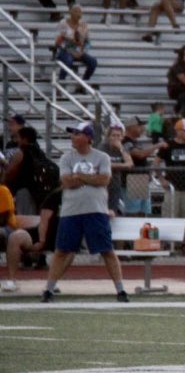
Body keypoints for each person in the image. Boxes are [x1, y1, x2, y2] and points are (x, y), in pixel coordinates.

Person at [39, 123, 129, 303]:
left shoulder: (102, 157)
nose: (72, 137)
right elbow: (66, 181)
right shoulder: (66, 158)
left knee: (106, 250)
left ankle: (120, 290)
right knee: (62, 251)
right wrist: (90, 178)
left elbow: (104, 179)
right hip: (71, 211)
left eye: (77, 134)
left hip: (96, 210)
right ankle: (49, 289)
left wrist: (79, 176)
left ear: (88, 137)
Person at [155, 118, 185, 256]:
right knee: (169, 215)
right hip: (173, 187)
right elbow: (156, 163)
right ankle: (167, 243)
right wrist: (162, 179)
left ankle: (184, 243)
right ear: (178, 131)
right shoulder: (168, 145)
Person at [53, 4, 98, 85]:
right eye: (76, 12)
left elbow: (88, 42)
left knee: (93, 62)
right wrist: (70, 50)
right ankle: (60, 83)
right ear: (71, 13)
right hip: (65, 50)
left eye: (80, 12)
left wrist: (83, 51)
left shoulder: (84, 25)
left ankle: (83, 83)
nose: (78, 14)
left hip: (79, 51)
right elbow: (58, 41)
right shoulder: (63, 23)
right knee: (68, 61)